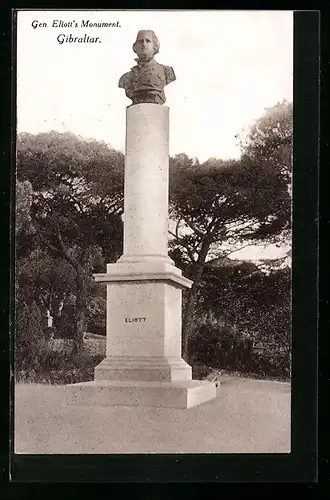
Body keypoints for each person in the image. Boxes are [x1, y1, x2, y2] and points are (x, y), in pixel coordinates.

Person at [118, 30, 176, 105]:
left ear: (155, 46)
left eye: (148, 41)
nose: (144, 44)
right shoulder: (126, 77)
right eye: (140, 41)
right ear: (135, 47)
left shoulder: (166, 71)